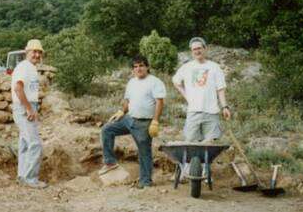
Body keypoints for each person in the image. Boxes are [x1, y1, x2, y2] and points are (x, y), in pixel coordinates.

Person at [99, 55, 166, 189]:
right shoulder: (132, 82)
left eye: (141, 65)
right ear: (132, 69)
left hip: (144, 123)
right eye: (135, 66)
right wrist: (121, 112)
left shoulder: (155, 82)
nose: (138, 68)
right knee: (107, 129)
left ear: (147, 67)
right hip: (129, 119)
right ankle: (110, 162)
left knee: (144, 151)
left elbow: (160, 102)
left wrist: (155, 121)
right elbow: (127, 100)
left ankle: (146, 181)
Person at [172, 37, 231, 143]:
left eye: (199, 48)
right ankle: (194, 160)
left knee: (210, 143)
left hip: (211, 112)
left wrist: (225, 107)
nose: (197, 51)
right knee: (190, 142)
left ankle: (207, 160)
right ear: (191, 51)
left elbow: (220, 89)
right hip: (193, 111)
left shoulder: (214, 67)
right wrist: (186, 96)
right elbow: (176, 82)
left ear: (205, 49)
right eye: (194, 49)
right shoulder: (186, 67)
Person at [11, 39, 47, 188]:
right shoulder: (23, 67)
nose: (37, 54)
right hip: (23, 107)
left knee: (25, 144)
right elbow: (18, 89)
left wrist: (32, 107)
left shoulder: (31, 68)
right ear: (27, 52)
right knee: (35, 144)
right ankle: (31, 179)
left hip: (28, 106)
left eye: (39, 52)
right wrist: (29, 108)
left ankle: (22, 175)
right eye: (34, 51)